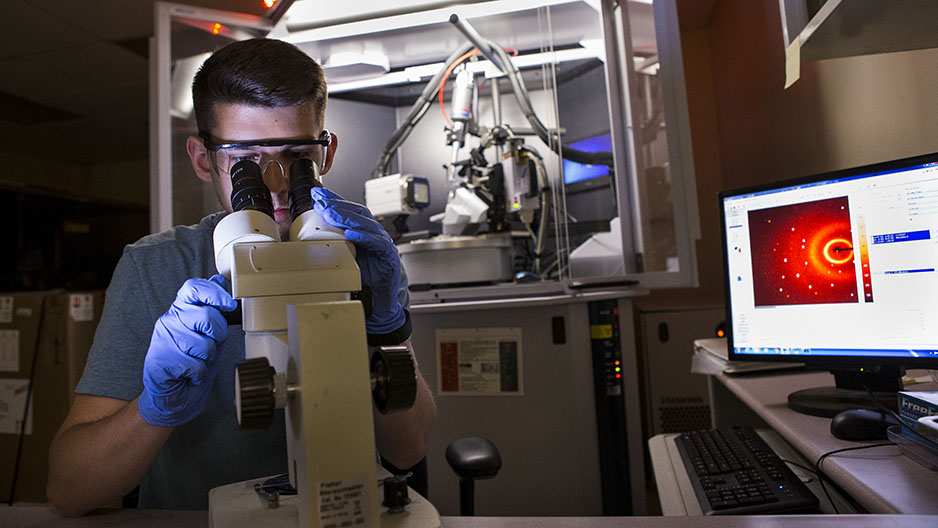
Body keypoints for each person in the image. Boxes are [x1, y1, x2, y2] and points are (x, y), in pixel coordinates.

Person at [46, 38, 436, 516]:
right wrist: (154, 409)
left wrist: (385, 330)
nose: (274, 182)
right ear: (202, 158)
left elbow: (408, 449)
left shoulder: (362, 256)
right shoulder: (153, 266)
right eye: (245, 160)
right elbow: (69, 487)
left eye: (297, 157)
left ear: (326, 153)